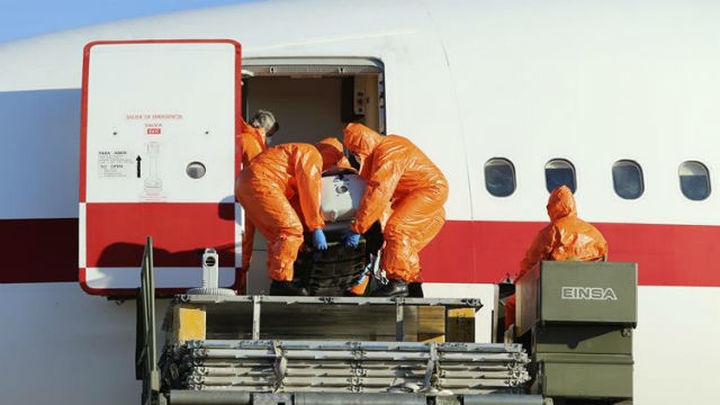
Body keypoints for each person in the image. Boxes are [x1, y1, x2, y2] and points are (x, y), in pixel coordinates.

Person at [342, 123, 448, 297]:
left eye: (355, 152)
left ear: (362, 146)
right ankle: (413, 286)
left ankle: (398, 283)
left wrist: (358, 228)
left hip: (428, 191)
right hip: (417, 194)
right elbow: (381, 200)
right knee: (402, 242)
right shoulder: (386, 149)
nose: (356, 158)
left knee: (397, 229)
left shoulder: (388, 152)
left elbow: (379, 191)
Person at [505, 185, 609, 329]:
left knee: (511, 304)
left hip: (553, 294)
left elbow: (530, 264)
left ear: (553, 207)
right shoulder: (595, 234)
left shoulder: (551, 232)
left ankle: (512, 340)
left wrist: (519, 285)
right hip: (587, 294)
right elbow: (603, 264)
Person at [235, 143, 327, 296]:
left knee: (278, 236)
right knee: (290, 230)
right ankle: (281, 282)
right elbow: (309, 191)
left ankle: (279, 281)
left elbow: (297, 203)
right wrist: (316, 227)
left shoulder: (294, 154)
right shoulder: (312, 155)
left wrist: (307, 231)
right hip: (262, 181)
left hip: (247, 183)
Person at [235, 110, 278, 293]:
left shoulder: (248, 139)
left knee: (243, 246)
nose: (269, 137)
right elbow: (257, 172)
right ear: (262, 128)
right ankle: (237, 287)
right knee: (243, 246)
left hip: (243, 199)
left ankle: (238, 284)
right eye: (269, 133)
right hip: (245, 200)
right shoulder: (251, 141)